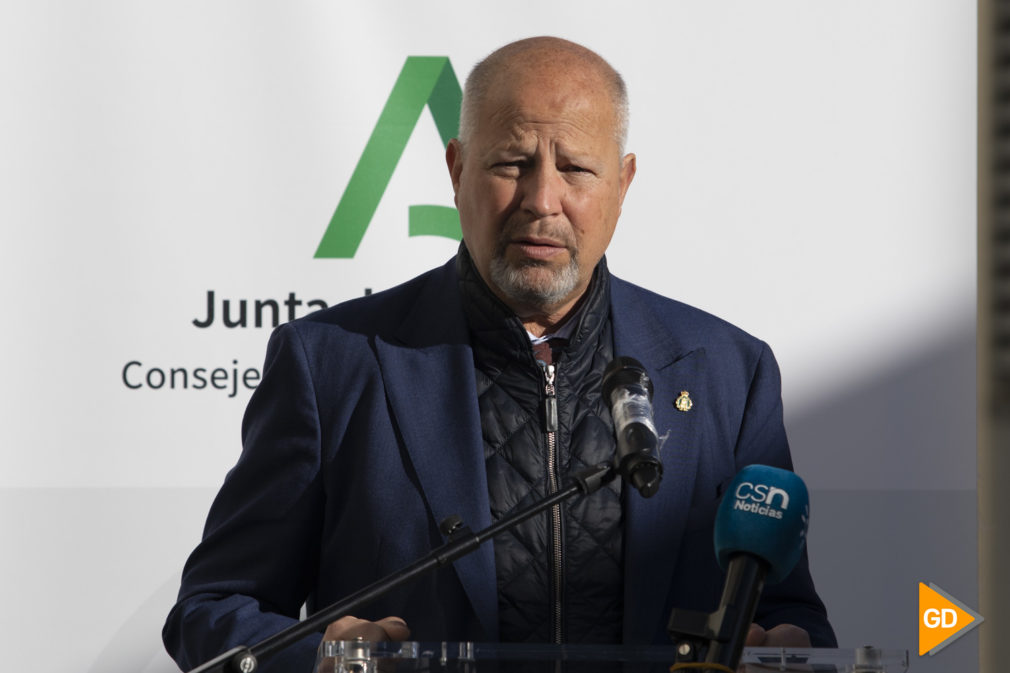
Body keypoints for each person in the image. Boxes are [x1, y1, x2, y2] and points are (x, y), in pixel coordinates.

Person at [163, 36, 835, 672]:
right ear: (457, 171)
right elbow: (211, 610)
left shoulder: (726, 371)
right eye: (512, 163)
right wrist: (321, 656)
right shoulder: (333, 364)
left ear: (623, 184)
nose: (542, 200)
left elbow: (787, 611)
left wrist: (786, 646)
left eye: (574, 167)